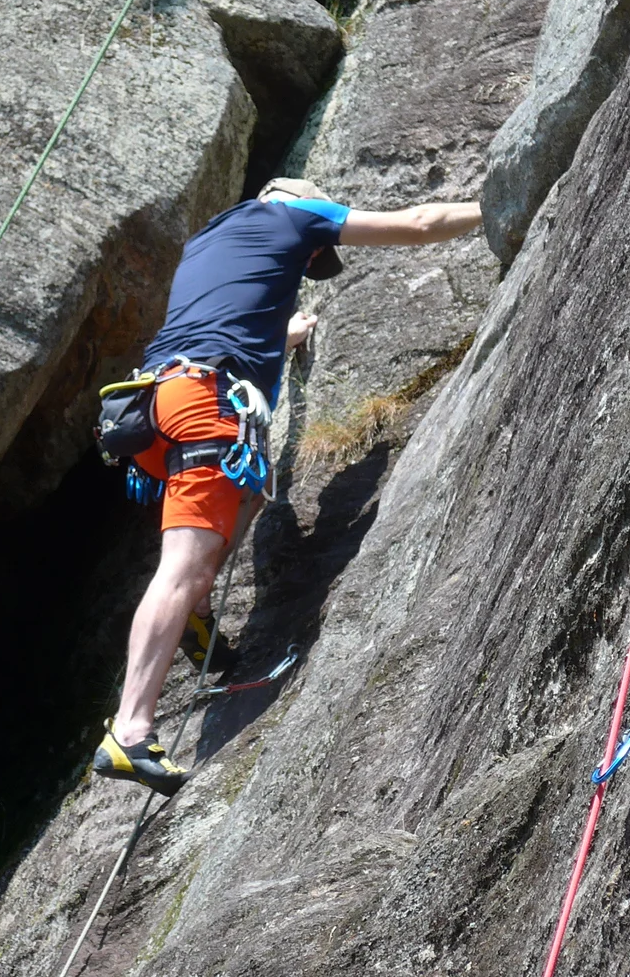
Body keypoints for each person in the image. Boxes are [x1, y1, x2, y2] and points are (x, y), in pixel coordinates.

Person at [92, 177, 483, 795]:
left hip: (152, 408)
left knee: (248, 489)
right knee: (183, 567)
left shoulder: (209, 238)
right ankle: (131, 730)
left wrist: (286, 337)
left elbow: (227, 313)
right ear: (296, 198)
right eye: (312, 253)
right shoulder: (296, 214)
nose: (309, 257)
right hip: (202, 405)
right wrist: (496, 203)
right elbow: (420, 222)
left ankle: (195, 618)